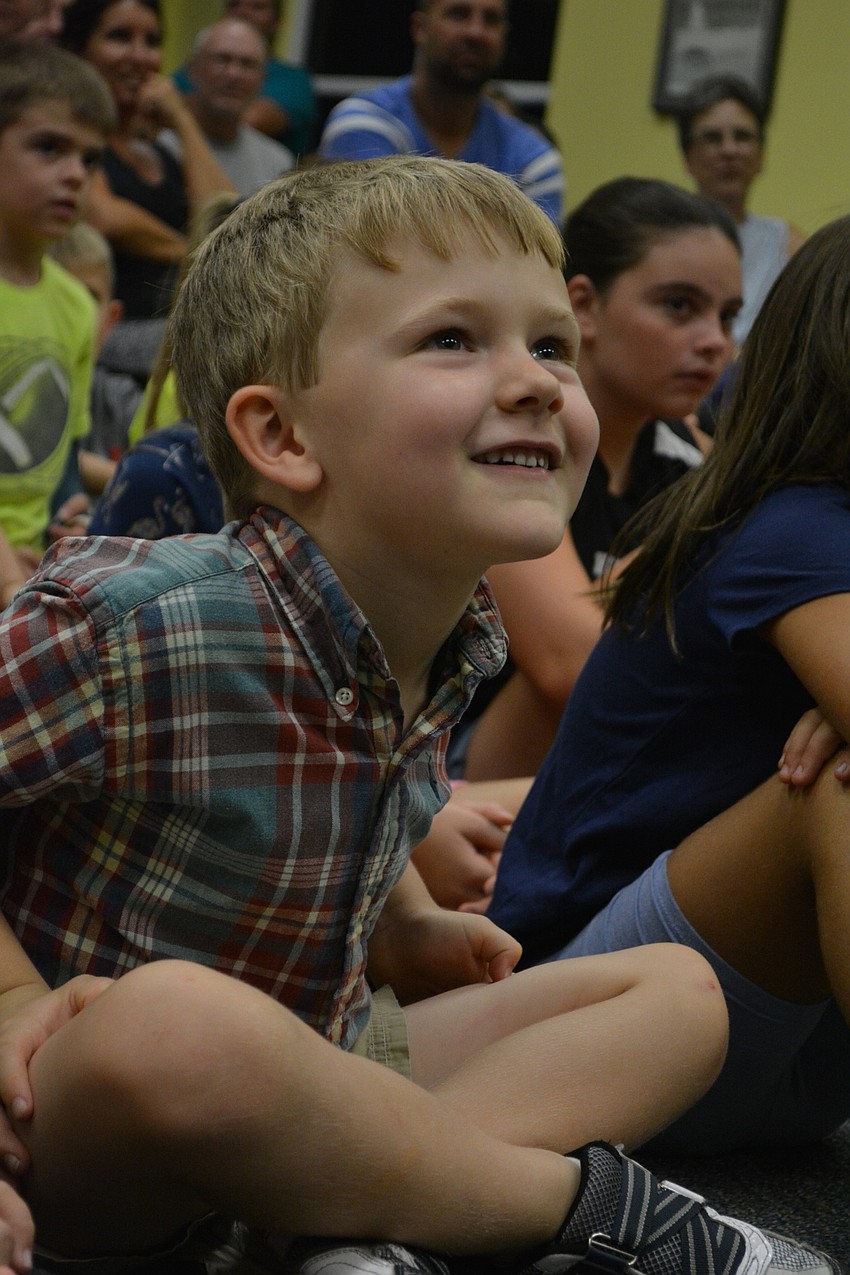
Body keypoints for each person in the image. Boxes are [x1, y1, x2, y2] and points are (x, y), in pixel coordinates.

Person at [0, 156, 832, 1275]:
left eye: (550, 346)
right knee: (180, 1021)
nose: (537, 380)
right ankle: (575, 1208)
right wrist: (11, 998)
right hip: (98, 1111)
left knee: (677, 995)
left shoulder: (444, 636)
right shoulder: (132, 619)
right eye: (454, 340)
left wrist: (402, 921)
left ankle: (356, 1230)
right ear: (283, 437)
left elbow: (318, 781)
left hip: (315, 1048)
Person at [489, 212, 850, 1168]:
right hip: (597, 1013)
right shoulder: (799, 527)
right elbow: (557, 663)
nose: (707, 335)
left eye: (724, 313)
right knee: (840, 783)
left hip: (782, 1046)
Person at [458, 177, 742, 781]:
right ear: (584, 306)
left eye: (728, 315)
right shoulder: (511, 436)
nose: (715, 341)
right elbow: (570, 667)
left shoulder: (697, 461)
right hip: (458, 768)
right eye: (679, 306)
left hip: (621, 753)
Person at [60, 0, 234, 350]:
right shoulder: (67, 137)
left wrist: (183, 122)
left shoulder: (160, 152)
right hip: (111, 329)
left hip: (173, 322)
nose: (139, 56)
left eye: (152, 42)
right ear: (80, 50)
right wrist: (197, 256)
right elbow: (103, 215)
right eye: (120, 37)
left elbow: (225, 217)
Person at [0, 42, 114, 579]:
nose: (75, 174)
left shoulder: (73, 304)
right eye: (49, 148)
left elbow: (60, 456)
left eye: (90, 159)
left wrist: (72, 519)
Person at [318, 0, 565, 224]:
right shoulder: (364, 123)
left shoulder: (534, 159)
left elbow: (534, 268)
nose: (475, 32)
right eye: (458, 14)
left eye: (490, 19)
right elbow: (368, 245)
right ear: (420, 28)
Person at [677, 74, 805, 346]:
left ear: (761, 156)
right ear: (687, 157)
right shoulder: (659, 238)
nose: (729, 150)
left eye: (743, 136)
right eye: (713, 138)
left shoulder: (790, 246)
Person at [48, 221, 140, 498]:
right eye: (62, 294)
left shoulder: (122, 399)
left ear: (111, 319)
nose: (74, 313)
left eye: (87, 297)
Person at [164, 17, 293, 198]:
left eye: (247, 64)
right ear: (193, 68)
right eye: (222, 59)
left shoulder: (277, 164)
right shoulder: (161, 147)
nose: (233, 74)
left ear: (263, 79)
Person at [173, 0, 317, 160]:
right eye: (235, 5)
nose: (243, 12)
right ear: (194, 68)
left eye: (257, 7)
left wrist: (176, 110)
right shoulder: (192, 69)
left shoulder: (292, 80)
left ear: (276, 21)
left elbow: (242, 120)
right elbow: (154, 107)